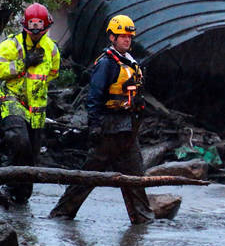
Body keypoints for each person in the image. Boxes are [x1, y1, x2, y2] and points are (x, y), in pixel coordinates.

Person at [49, 14, 154, 224]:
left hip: (127, 130)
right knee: (89, 176)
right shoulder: (106, 63)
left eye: (129, 37)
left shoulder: (131, 62)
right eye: (122, 36)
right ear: (112, 38)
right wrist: (95, 126)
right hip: (109, 130)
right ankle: (61, 214)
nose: (127, 40)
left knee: (136, 177)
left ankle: (144, 221)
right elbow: (94, 97)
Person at [0, 2, 60, 204]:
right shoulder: (11, 44)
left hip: (37, 106)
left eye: (40, 24)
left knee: (31, 152)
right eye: (33, 24)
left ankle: (22, 197)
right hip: (12, 99)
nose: (36, 29)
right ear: (26, 25)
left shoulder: (52, 49)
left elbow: (53, 73)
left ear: (46, 25)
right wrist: (24, 64)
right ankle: (7, 185)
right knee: (19, 141)